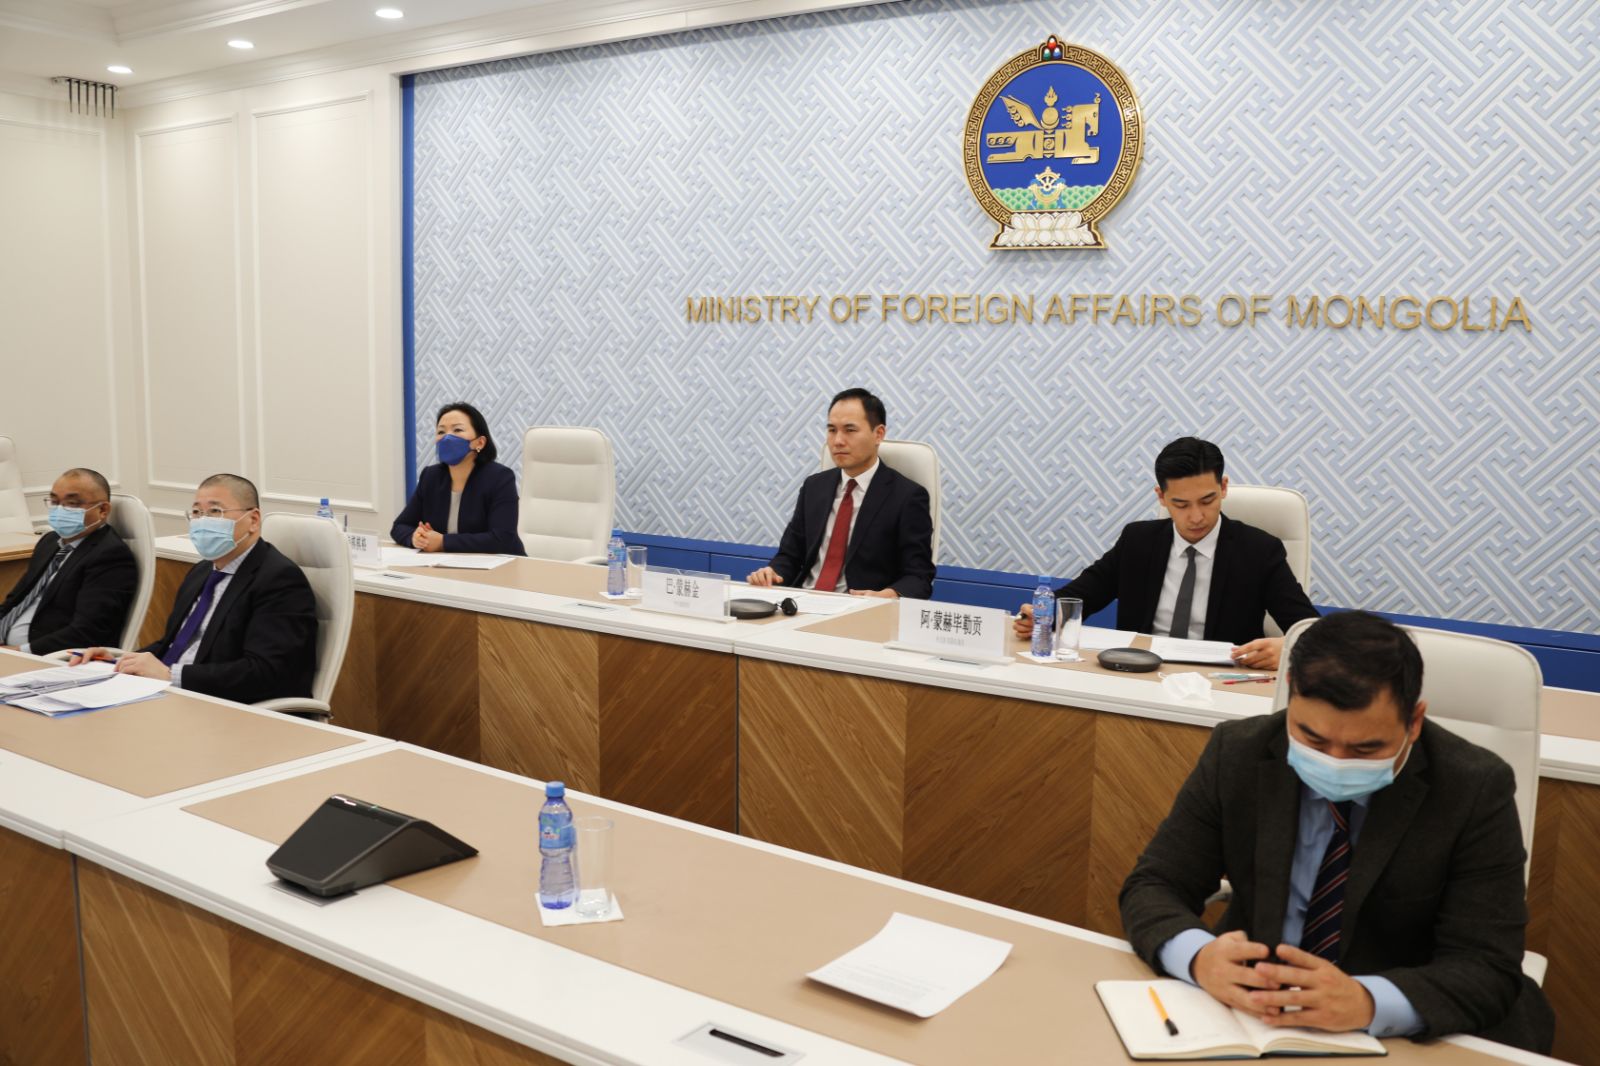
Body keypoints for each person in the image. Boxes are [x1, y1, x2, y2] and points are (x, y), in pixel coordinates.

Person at [1119, 611, 1553, 1052]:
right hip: (1252, 1014)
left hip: (1399, 1037)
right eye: (1314, 740)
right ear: (1291, 693)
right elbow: (1155, 884)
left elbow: (1487, 966)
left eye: (1366, 748)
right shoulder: (1239, 752)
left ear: (1414, 721)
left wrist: (1368, 1001)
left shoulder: (1473, 787)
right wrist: (1199, 957)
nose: (1336, 762)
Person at [1014, 437, 1316, 669]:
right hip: (1138, 672)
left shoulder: (1259, 551)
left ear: (1223, 487)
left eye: (1207, 500)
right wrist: (1041, 616)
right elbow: (1081, 596)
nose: (1196, 517)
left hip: (1218, 680)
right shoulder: (1138, 541)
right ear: (1161, 496)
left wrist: (1288, 647)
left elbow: (1309, 628)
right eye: (1181, 505)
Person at [72, 473, 317, 706]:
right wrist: (118, 662)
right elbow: (173, 644)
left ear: (253, 520)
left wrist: (170, 675)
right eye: (197, 512)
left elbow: (266, 672)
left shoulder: (278, 579)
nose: (202, 521)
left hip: (224, 705)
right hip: (171, 694)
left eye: (215, 511)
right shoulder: (202, 571)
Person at [747, 388, 935, 599]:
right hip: (801, 602)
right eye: (832, 430)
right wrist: (772, 573)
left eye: (849, 430)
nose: (837, 441)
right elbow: (789, 556)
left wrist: (888, 595)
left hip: (860, 608)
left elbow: (919, 577)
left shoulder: (907, 497)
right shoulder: (814, 487)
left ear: (878, 434)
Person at [0, 468, 136, 655]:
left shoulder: (110, 556)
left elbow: (87, 632)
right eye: (55, 502)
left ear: (103, 510)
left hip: (45, 657)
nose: (60, 510)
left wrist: (17, 651)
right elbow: (14, 601)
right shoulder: (49, 542)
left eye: (72, 504)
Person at [390, 402, 526, 555]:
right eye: (441, 431)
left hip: (502, 565)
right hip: (445, 564)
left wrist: (443, 542)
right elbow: (400, 526)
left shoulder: (499, 477)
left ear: (480, 442)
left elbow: (503, 539)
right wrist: (415, 538)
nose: (447, 437)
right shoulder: (431, 476)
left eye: (457, 430)